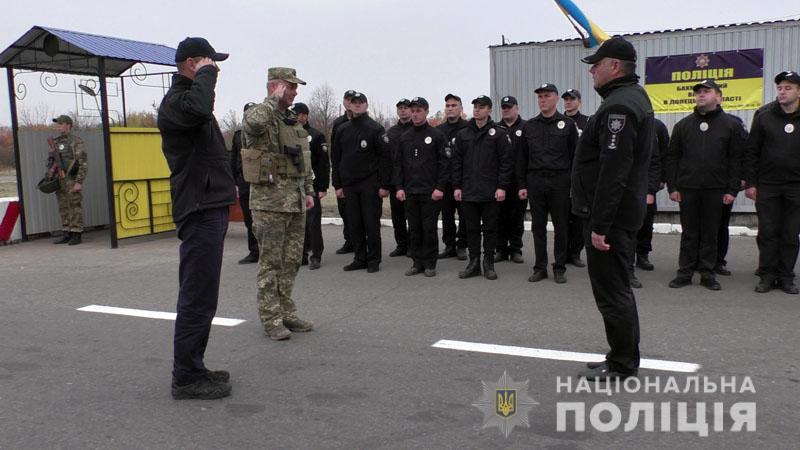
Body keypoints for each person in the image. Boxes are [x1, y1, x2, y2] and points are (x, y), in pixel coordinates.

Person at [571, 37, 655, 381]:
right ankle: (620, 354)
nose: (592, 70)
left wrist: (600, 224)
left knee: (612, 290)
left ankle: (621, 363)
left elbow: (613, 171)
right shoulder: (629, 98)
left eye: (597, 64)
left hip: (611, 218)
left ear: (615, 66)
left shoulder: (618, 107)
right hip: (618, 214)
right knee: (615, 287)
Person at [157, 37, 235, 399]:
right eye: (208, 61)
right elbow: (200, 108)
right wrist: (206, 77)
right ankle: (185, 377)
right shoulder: (177, 103)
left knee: (205, 295)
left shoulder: (188, 101)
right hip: (199, 208)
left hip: (210, 204)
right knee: (196, 296)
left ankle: (194, 366)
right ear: (191, 63)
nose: (214, 67)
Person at [242, 67, 315, 341]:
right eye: (291, 87)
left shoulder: (290, 120)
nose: (295, 93)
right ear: (275, 87)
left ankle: (287, 312)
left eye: (295, 88)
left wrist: (308, 190)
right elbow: (254, 125)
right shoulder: (259, 114)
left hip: (294, 202)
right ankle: (271, 319)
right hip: (269, 204)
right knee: (270, 263)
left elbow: (302, 160)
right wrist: (273, 98)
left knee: (292, 261)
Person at [666, 79, 743, 291]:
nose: (701, 94)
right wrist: (672, 187)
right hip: (688, 188)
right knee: (689, 232)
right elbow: (672, 158)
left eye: (706, 91)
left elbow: (736, 159)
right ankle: (685, 272)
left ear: (718, 97)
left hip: (716, 188)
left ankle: (708, 273)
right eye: (698, 92)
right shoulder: (683, 125)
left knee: (711, 232)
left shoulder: (731, 125)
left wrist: (732, 189)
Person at [744, 70, 800, 294]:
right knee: (768, 231)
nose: (782, 92)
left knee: (790, 233)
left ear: (798, 91)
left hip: (796, 186)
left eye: (788, 88)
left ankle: (786, 276)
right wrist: (751, 183)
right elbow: (751, 151)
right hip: (768, 185)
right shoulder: (765, 115)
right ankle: (767, 275)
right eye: (780, 88)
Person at [517, 83, 579, 284]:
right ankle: (540, 267)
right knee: (538, 226)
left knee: (561, 225)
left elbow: (574, 157)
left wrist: (572, 185)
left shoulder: (568, 125)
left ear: (556, 98)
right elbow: (522, 158)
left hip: (559, 181)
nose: (542, 99)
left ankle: (559, 267)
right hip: (535, 180)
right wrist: (522, 185)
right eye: (540, 97)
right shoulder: (529, 126)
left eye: (547, 96)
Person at [452, 95, 513, 280]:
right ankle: (474, 263)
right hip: (469, 190)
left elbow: (506, 162)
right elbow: (456, 163)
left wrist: (502, 187)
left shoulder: (499, 133)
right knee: (471, 229)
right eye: (475, 107)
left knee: (490, 229)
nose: (477, 110)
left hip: (490, 191)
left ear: (489, 110)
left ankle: (489, 263)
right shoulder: (463, 134)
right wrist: (457, 186)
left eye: (481, 107)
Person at [331, 92, 392, 273]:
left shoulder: (376, 129)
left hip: (370, 184)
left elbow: (385, 159)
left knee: (371, 223)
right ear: (349, 105)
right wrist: (338, 185)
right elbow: (336, 159)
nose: (357, 105)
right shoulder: (343, 129)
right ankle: (359, 257)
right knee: (354, 223)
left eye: (361, 102)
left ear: (366, 105)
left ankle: (373, 260)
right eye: (354, 103)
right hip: (349, 185)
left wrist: (384, 185)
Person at [393, 97, 448, 276]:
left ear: (426, 111)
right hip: (410, 191)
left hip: (430, 192)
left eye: (419, 111)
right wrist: (399, 187)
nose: (415, 114)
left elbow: (444, 164)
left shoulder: (436, 136)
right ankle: (417, 262)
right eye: (413, 111)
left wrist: (440, 188)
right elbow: (398, 165)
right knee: (414, 228)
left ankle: (430, 263)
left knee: (429, 228)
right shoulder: (405, 137)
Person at [628, 117, 668, 288]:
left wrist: (652, 189)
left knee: (645, 222)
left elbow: (660, 158)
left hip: (645, 185)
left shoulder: (655, 127)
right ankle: (626, 267)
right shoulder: (621, 126)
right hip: (621, 185)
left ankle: (643, 254)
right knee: (625, 228)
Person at [293, 102, 330, 270]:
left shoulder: (315, 136)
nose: (294, 116)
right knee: (297, 222)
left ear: (305, 116)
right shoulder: (288, 133)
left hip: (311, 185)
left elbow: (323, 164)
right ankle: (301, 254)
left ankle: (316, 254)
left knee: (313, 222)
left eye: (297, 113)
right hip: (293, 185)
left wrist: (322, 187)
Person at [436, 94, 469, 260]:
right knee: (447, 215)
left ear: (461, 109)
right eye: (448, 106)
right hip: (445, 181)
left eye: (454, 105)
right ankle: (449, 246)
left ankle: (462, 245)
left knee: (464, 215)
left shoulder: (469, 128)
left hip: (464, 181)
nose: (450, 108)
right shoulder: (439, 131)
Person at [494, 96, 526, 264]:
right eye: (503, 107)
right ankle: (500, 249)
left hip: (518, 182)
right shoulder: (495, 128)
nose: (506, 110)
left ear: (517, 108)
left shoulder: (526, 127)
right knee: (500, 217)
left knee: (517, 217)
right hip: (499, 182)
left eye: (509, 107)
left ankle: (515, 249)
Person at [48, 115, 87, 246]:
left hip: (71, 179)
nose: (58, 126)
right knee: (63, 206)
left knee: (74, 206)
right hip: (59, 179)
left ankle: (76, 234)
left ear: (68, 125)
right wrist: (50, 173)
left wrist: (79, 182)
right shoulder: (56, 142)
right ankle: (67, 232)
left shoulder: (76, 141)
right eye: (58, 124)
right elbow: (52, 161)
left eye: (61, 123)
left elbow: (83, 163)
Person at [562, 89, 589, 266]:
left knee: (579, 217)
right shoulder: (559, 121)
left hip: (580, 177)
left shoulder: (587, 122)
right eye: (566, 100)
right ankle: (562, 253)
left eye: (572, 99)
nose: (568, 102)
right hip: (562, 176)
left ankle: (575, 253)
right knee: (563, 217)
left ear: (579, 101)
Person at [230, 102, 259, 263]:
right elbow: (233, 160)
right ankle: (254, 251)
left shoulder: (262, 133)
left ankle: (269, 250)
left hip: (260, 182)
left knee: (264, 218)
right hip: (244, 183)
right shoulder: (238, 135)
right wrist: (235, 181)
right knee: (249, 219)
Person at [385, 98, 413, 257]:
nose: (403, 110)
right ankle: (401, 244)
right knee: (397, 215)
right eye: (400, 108)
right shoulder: (391, 132)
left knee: (412, 216)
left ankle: (413, 245)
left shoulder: (415, 130)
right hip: (395, 180)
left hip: (412, 180)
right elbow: (386, 158)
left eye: (406, 108)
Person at [331, 90, 357, 254]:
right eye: (347, 99)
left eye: (353, 100)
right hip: (343, 172)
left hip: (360, 174)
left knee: (359, 212)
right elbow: (335, 152)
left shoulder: (365, 122)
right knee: (344, 210)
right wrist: (336, 181)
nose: (349, 103)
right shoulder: (338, 123)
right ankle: (349, 241)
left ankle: (361, 241)